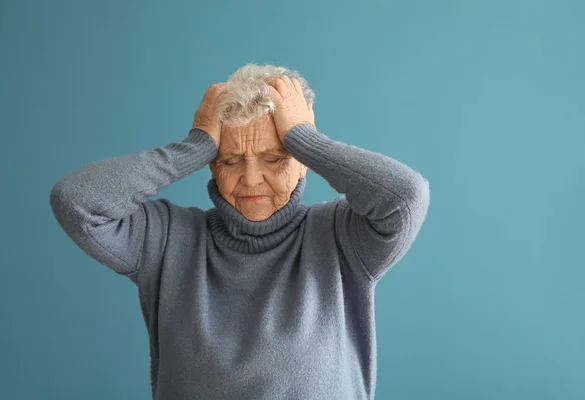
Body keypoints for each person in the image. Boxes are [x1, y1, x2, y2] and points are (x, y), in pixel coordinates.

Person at [49, 63, 430, 400]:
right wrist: (193, 146)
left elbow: (406, 198)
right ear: (211, 166)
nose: (251, 179)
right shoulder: (166, 240)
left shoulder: (341, 237)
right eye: (230, 160)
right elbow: (76, 201)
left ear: (305, 164)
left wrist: (306, 139)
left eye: (275, 158)